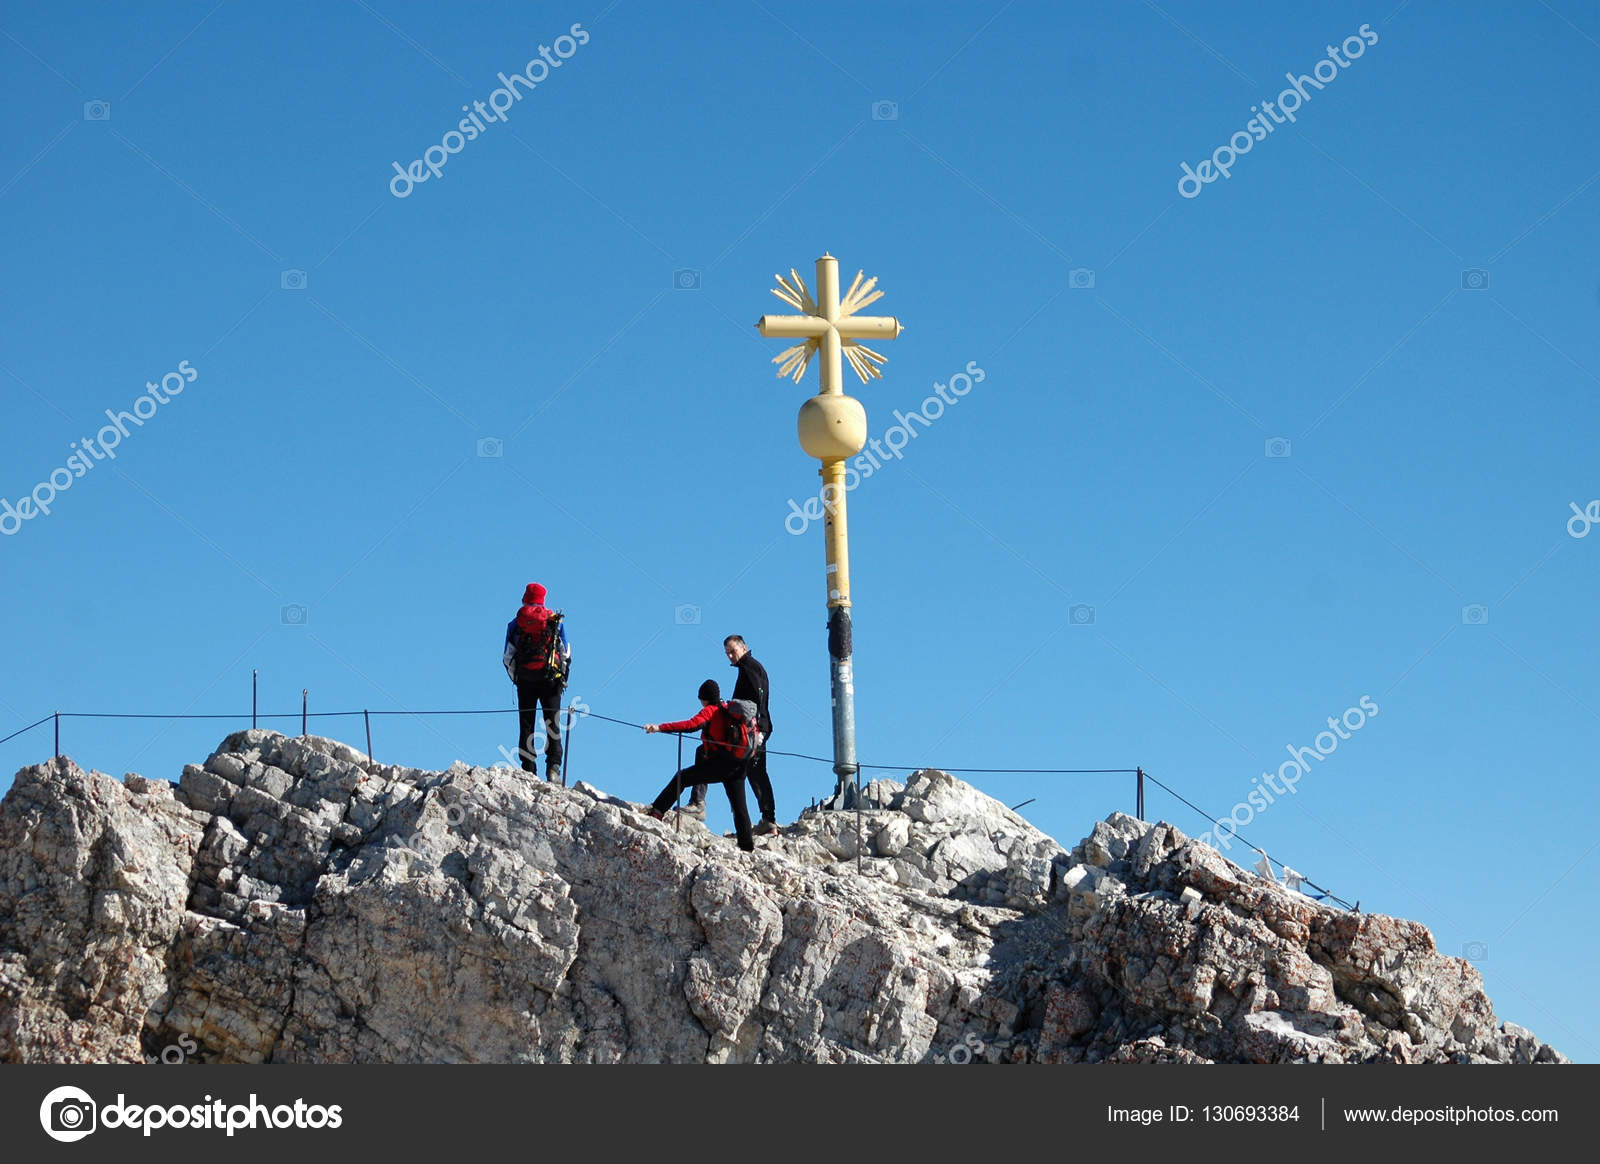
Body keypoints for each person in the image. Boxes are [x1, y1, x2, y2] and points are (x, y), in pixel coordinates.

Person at [642, 679, 755, 852]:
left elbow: (690, 725)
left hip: (721, 764)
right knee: (740, 807)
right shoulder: (727, 709)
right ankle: (747, 848)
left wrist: (659, 728)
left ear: (704, 698)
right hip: (739, 764)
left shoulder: (710, 711)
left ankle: (657, 812)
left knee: (683, 777)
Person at [502, 582, 571, 780]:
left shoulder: (515, 624)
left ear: (525, 598)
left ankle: (528, 767)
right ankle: (553, 767)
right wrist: (563, 677)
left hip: (525, 679)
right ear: (543, 598)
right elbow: (565, 653)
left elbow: (508, 656)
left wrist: (517, 678)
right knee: (553, 722)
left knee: (526, 723)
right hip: (551, 679)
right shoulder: (555, 620)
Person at [723, 635, 778, 835]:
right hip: (757, 727)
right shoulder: (750, 667)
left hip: (754, 729)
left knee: (750, 772)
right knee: (754, 772)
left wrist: (731, 707)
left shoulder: (749, 668)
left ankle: (766, 820)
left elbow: (756, 699)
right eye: (727, 653)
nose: (730, 656)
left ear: (743, 647)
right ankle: (767, 819)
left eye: (732, 651)